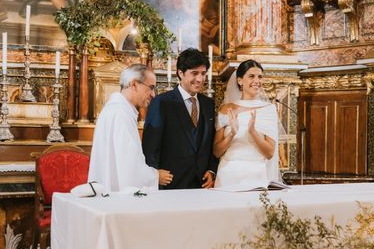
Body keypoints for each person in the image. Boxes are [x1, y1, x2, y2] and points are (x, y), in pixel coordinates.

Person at [88, 64, 173, 191]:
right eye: (151, 88)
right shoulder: (121, 114)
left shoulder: (115, 109)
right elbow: (129, 165)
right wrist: (155, 176)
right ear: (134, 84)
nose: (153, 94)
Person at [142, 48, 218, 189]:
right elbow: (150, 145)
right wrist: (154, 174)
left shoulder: (208, 104)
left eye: (203, 73)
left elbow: (211, 142)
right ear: (181, 73)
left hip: (202, 184)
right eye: (194, 73)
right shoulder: (161, 102)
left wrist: (211, 170)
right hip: (170, 183)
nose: (200, 79)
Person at [213, 60, 280, 190]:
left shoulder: (269, 109)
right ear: (240, 81)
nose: (257, 81)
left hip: (256, 173)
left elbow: (270, 153)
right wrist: (232, 133)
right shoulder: (226, 109)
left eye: (260, 77)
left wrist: (252, 131)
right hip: (228, 173)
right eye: (251, 76)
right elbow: (216, 152)